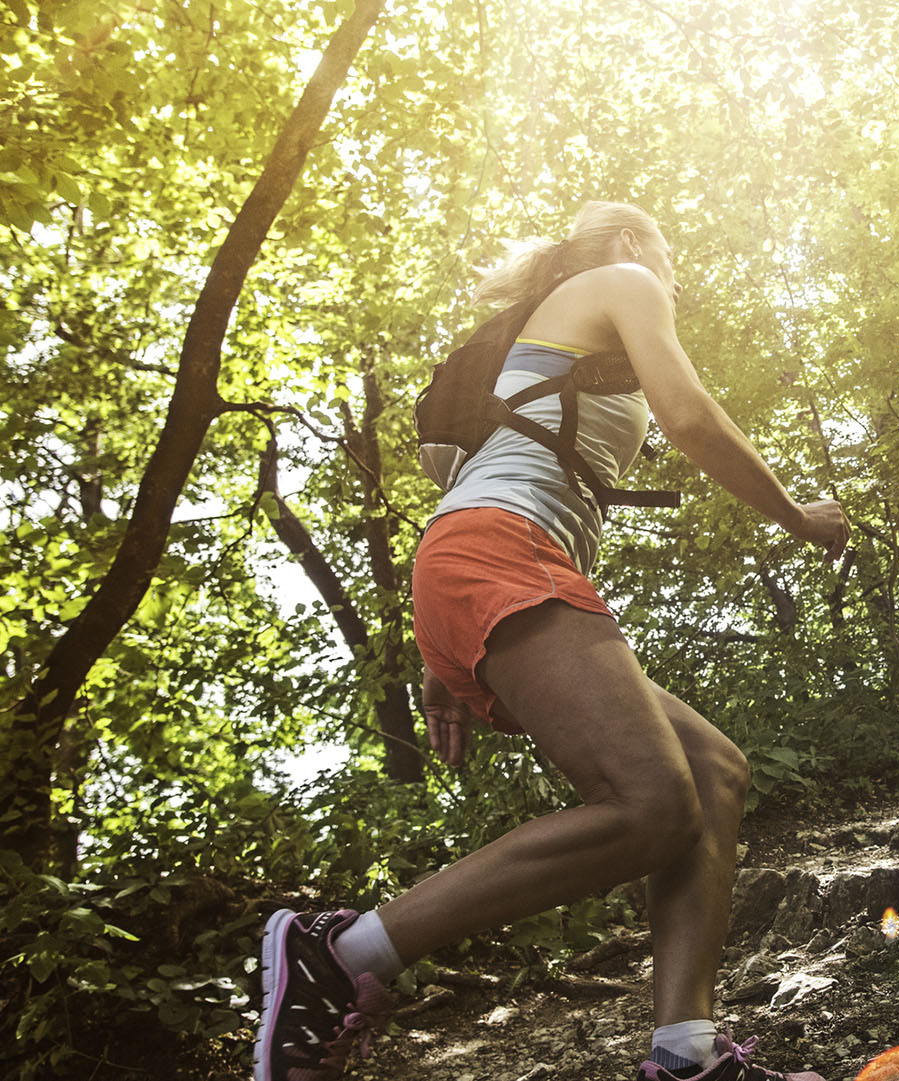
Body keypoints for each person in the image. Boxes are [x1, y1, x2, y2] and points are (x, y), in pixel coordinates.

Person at [253, 201, 850, 1081]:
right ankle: (342, 953)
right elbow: (687, 417)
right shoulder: (622, 280)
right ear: (625, 244)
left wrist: (438, 658)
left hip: (485, 558)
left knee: (712, 772)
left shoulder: (538, 347)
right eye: (667, 258)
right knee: (650, 801)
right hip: (502, 551)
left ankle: (686, 1056)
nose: (672, 280)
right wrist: (796, 516)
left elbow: (475, 485)